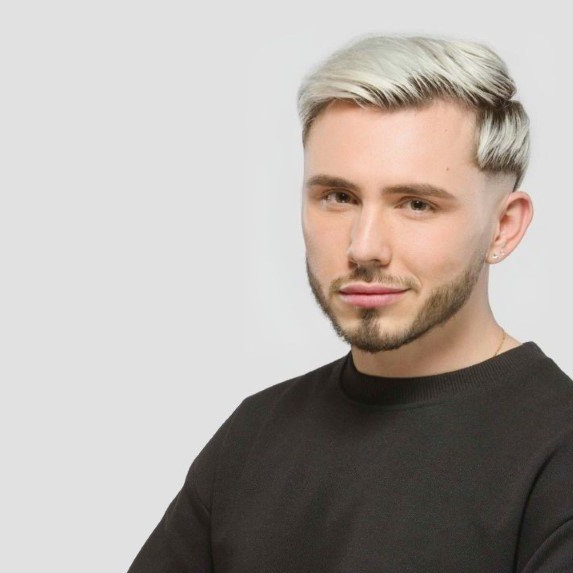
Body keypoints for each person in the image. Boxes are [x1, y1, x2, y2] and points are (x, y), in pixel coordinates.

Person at [127, 35, 573, 573]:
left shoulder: (557, 451)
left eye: (416, 204)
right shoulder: (255, 433)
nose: (364, 247)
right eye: (338, 197)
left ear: (503, 227)